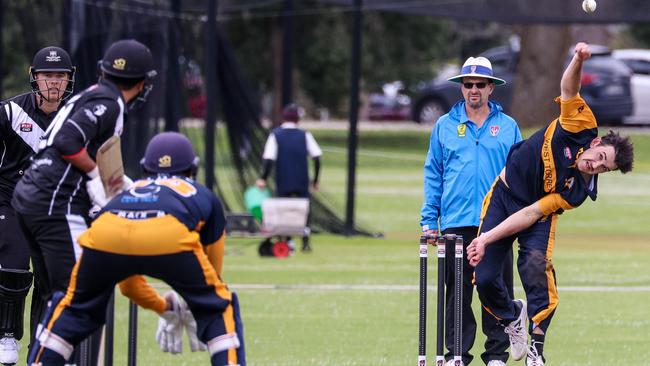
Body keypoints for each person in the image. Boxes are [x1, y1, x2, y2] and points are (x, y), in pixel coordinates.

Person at [467, 42, 634, 366]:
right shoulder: (579, 126)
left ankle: (536, 351)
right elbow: (568, 87)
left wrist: (486, 237)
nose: (595, 166)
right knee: (485, 278)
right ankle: (510, 315)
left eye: (604, 168)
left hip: (536, 214)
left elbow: (531, 213)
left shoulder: (577, 192)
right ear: (595, 143)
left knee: (534, 270)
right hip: (503, 196)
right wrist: (577, 59)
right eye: (599, 158)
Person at [26, 132, 245, 366]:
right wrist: (197, 306)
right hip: (169, 235)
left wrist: (163, 307)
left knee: (73, 310)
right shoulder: (202, 194)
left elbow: (129, 285)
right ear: (193, 169)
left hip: (105, 232)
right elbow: (212, 272)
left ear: (144, 169)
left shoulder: (130, 191)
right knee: (218, 307)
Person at [12, 39, 156, 364]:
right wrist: (93, 177)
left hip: (32, 195)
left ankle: (43, 359)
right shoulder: (110, 101)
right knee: (80, 293)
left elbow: (96, 150)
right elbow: (67, 141)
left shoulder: (93, 94)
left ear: (104, 71)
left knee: (57, 296)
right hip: (54, 201)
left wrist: (116, 183)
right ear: (142, 82)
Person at [421, 56, 522, 366]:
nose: (474, 90)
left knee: (495, 286)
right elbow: (433, 173)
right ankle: (456, 355)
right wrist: (429, 219)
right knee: (458, 292)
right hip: (456, 218)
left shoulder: (507, 127)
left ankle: (496, 354)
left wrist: (519, 216)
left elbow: (519, 173)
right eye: (468, 85)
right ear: (461, 88)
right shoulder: (444, 126)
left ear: (491, 88)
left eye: (480, 85)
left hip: (496, 222)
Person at [0, 46, 75, 365]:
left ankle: (43, 344)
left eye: (60, 76)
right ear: (34, 77)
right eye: (47, 75)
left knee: (52, 279)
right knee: (13, 268)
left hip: (54, 208)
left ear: (69, 79)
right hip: (11, 200)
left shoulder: (77, 113)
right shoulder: (9, 112)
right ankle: (5, 336)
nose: (54, 82)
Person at [256, 103, 322, 251]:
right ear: (298, 120)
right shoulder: (304, 135)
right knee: (304, 211)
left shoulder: (276, 135)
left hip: (283, 179)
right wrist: (316, 180)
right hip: (301, 180)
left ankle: (286, 241)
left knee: (283, 210)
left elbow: (268, 159)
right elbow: (317, 157)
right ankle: (305, 242)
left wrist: (263, 178)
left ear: (283, 118)